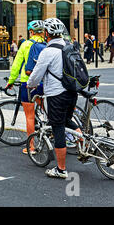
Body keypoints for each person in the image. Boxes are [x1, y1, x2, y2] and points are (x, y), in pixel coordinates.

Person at [27, 18, 83, 179]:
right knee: (67, 120)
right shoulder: (69, 47)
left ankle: (61, 169)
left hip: (56, 95)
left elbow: (36, 76)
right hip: (72, 92)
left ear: (47, 33)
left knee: (57, 127)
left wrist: (30, 84)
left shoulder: (47, 52)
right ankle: (83, 145)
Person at [6, 20, 46, 154]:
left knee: (30, 115)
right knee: (47, 111)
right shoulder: (46, 44)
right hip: (44, 82)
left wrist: (11, 81)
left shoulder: (26, 44)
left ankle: (32, 146)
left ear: (31, 32)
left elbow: (17, 65)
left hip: (28, 82)